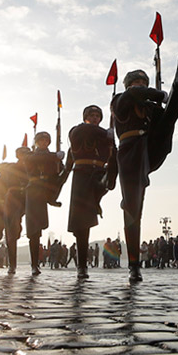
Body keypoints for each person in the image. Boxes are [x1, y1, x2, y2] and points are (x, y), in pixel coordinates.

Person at [111, 57, 178, 283]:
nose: (140, 85)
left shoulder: (149, 107)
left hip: (149, 149)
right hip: (129, 154)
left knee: (168, 119)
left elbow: (167, 121)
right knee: (133, 209)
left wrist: (167, 99)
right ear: (129, 85)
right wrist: (158, 95)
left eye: (143, 82)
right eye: (137, 82)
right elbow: (134, 94)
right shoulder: (120, 99)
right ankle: (134, 265)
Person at [59, 104, 115, 279]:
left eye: (97, 116)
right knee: (82, 227)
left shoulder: (105, 138)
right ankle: (82, 266)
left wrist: (112, 137)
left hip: (99, 175)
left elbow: (114, 156)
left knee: (105, 186)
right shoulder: (78, 132)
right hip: (82, 177)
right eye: (91, 115)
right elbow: (67, 168)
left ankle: (97, 200)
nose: (94, 118)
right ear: (85, 117)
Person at [22, 132, 64, 275]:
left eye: (46, 141)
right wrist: (55, 156)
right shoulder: (31, 155)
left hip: (45, 191)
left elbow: (60, 172)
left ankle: (52, 199)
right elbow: (36, 158)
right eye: (41, 140)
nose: (43, 143)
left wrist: (60, 162)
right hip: (33, 191)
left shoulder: (52, 156)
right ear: (36, 142)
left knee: (39, 227)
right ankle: (34, 264)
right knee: (33, 231)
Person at [0, 147, 30, 274]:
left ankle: (33, 264)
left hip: (28, 196)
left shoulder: (31, 167)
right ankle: (12, 264)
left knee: (32, 228)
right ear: (18, 155)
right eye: (23, 154)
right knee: (11, 231)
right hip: (13, 197)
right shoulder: (11, 167)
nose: (25, 156)